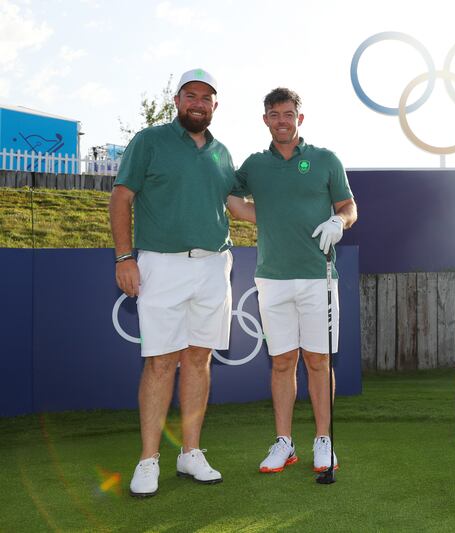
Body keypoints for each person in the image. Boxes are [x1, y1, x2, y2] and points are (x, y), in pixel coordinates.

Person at [109, 68, 251, 497]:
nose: (198, 103)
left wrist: (302, 214)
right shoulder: (149, 141)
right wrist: (123, 257)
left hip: (213, 265)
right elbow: (122, 196)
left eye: (206, 98)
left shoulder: (222, 153)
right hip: (160, 264)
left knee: (199, 359)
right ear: (177, 100)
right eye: (192, 95)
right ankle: (148, 459)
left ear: (214, 106)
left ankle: (190, 453)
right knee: (160, 362)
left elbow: (239, 208)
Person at [233, 87, 357, 476]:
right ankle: (284, 443)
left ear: (299, 119)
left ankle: (324, 439)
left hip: (318, 279)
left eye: (288, 114)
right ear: (265, 119)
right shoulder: (254, 165)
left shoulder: (325, 160)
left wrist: (340, 222)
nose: (282, 120)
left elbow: (348, 206)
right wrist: (266, 218)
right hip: (272, 278)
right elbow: (234, 202)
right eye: (274, 114)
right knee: (282, 362)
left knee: (318, 361)